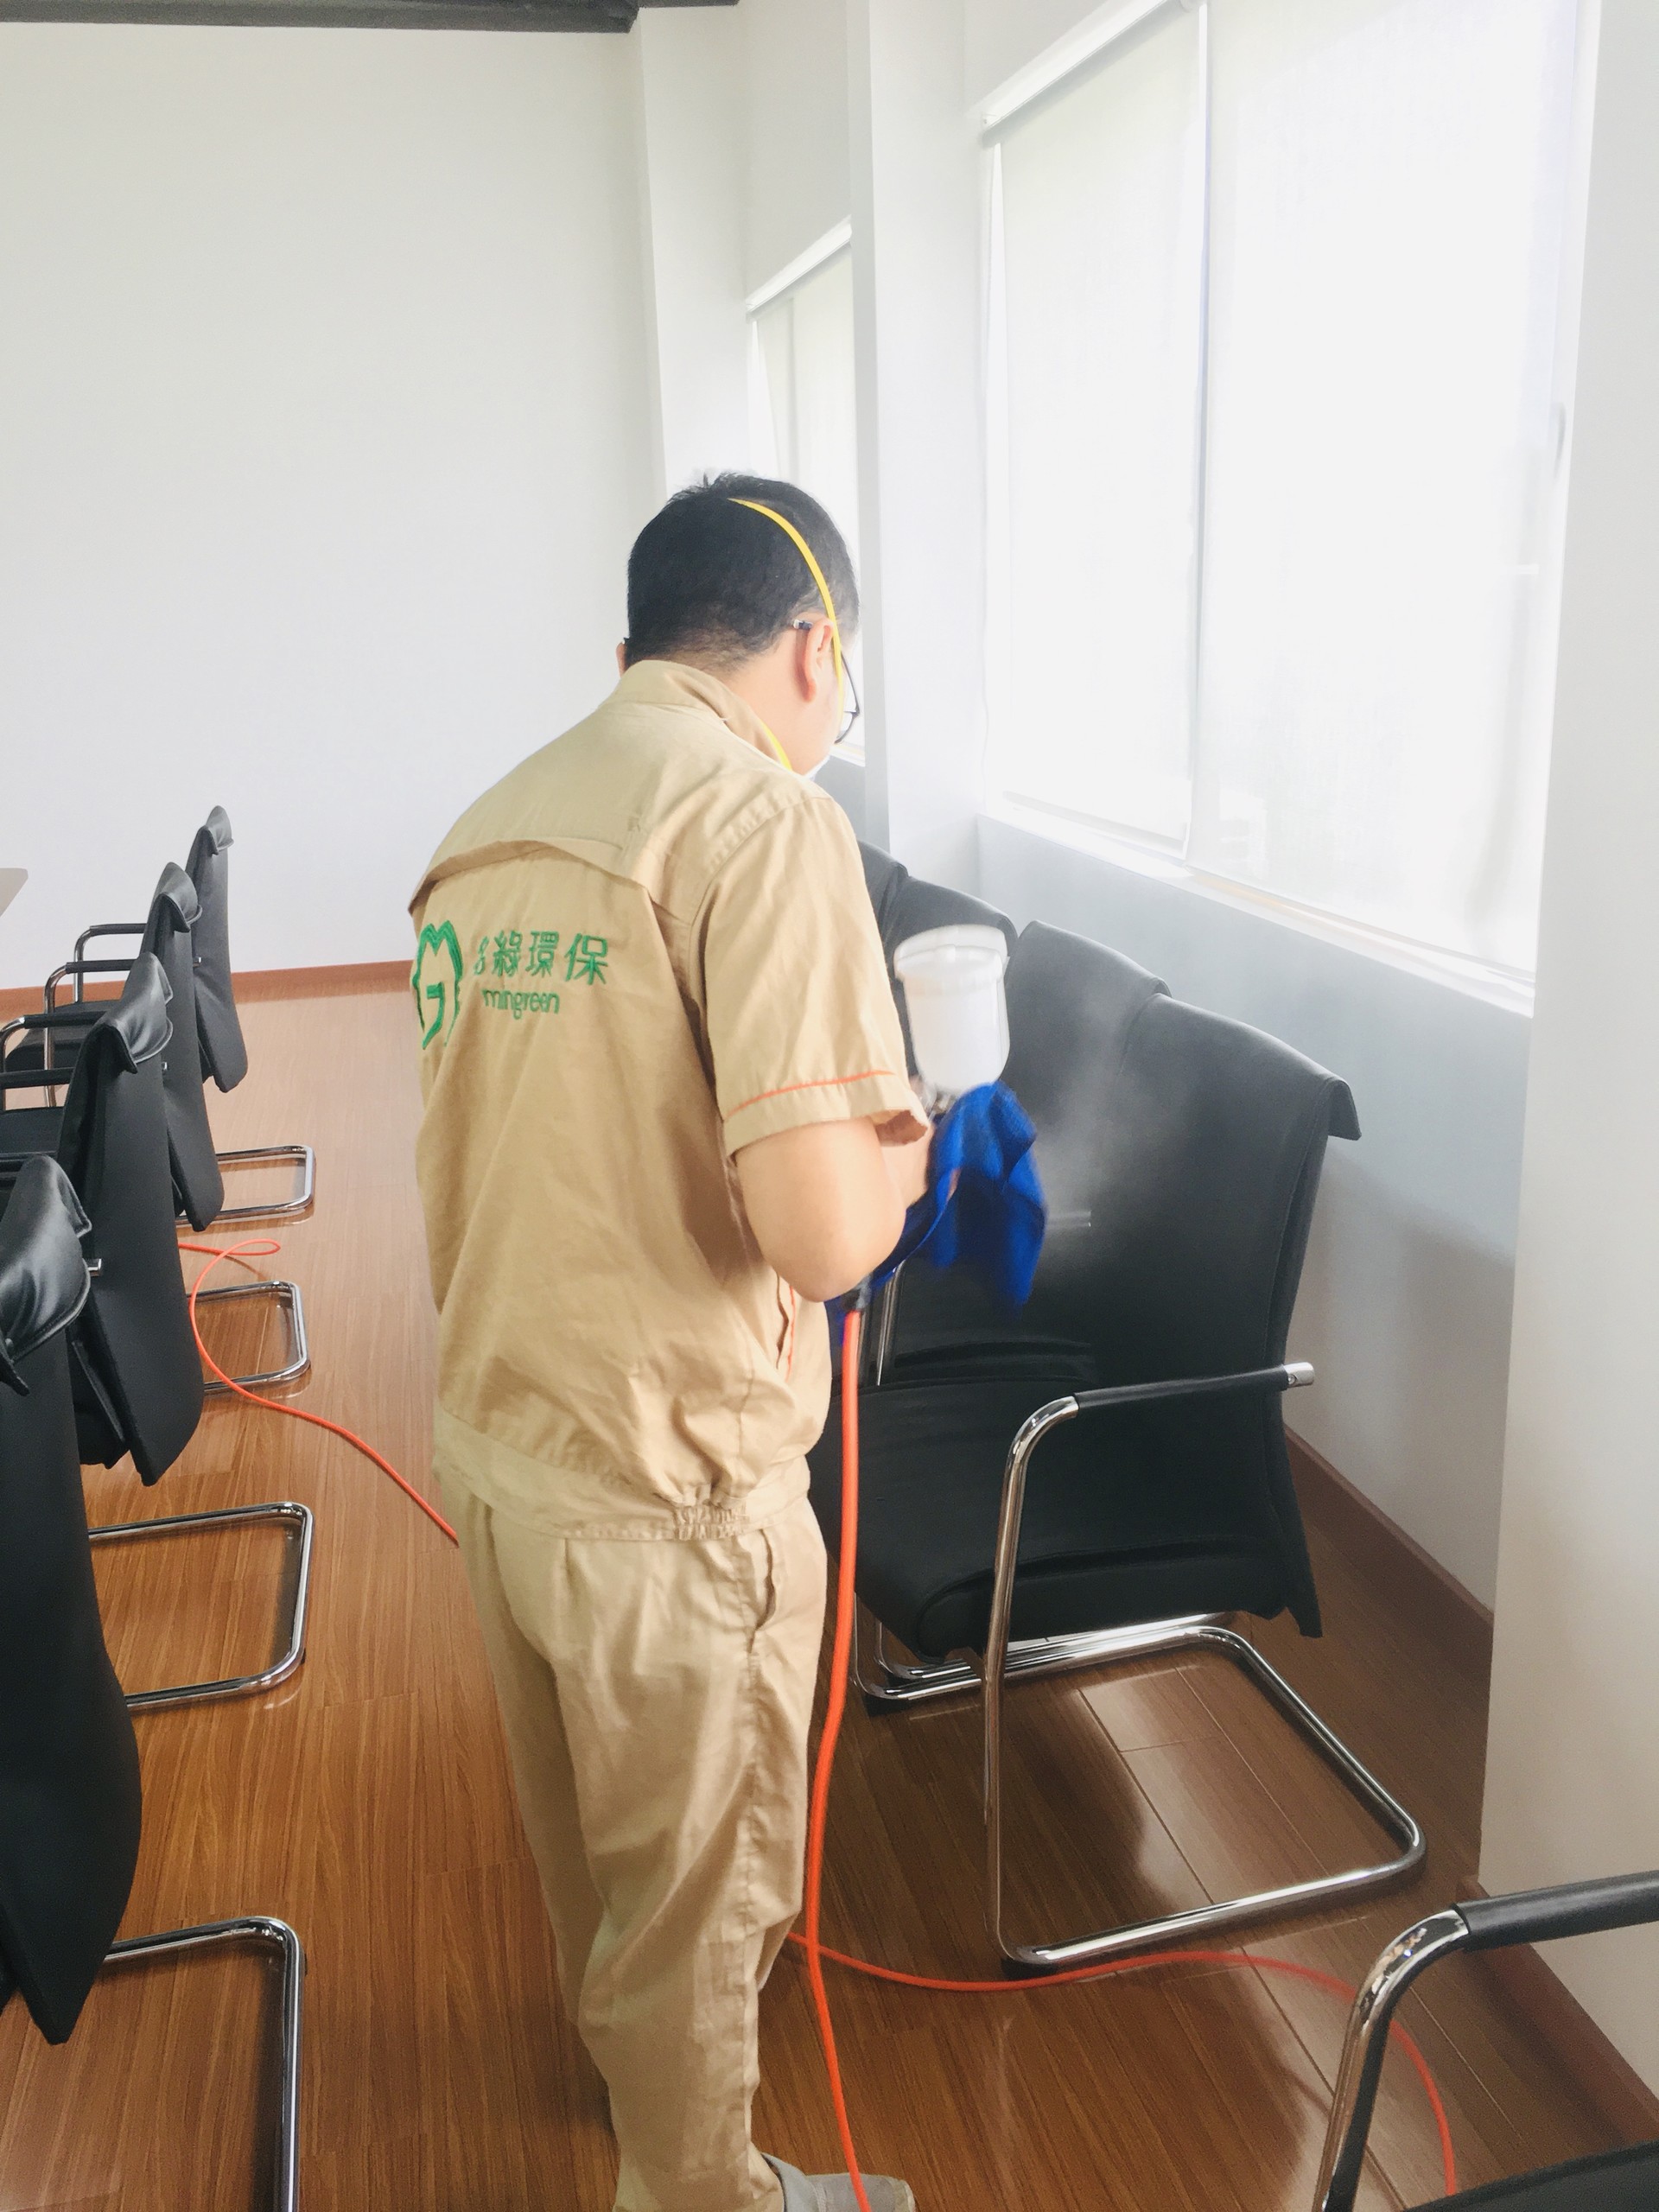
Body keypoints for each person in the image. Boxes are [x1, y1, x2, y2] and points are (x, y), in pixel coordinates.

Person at [409, 474, 929, 2212]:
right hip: (678, 1497)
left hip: (510, 1464)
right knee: (703, 1905)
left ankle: (639, 2094)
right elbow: (822, 1235)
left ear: (632, 644)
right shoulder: (764, 821)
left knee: (597, 1862)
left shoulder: (491, 826)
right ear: (814, 647)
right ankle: (700, 2182)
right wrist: (908, 1146)